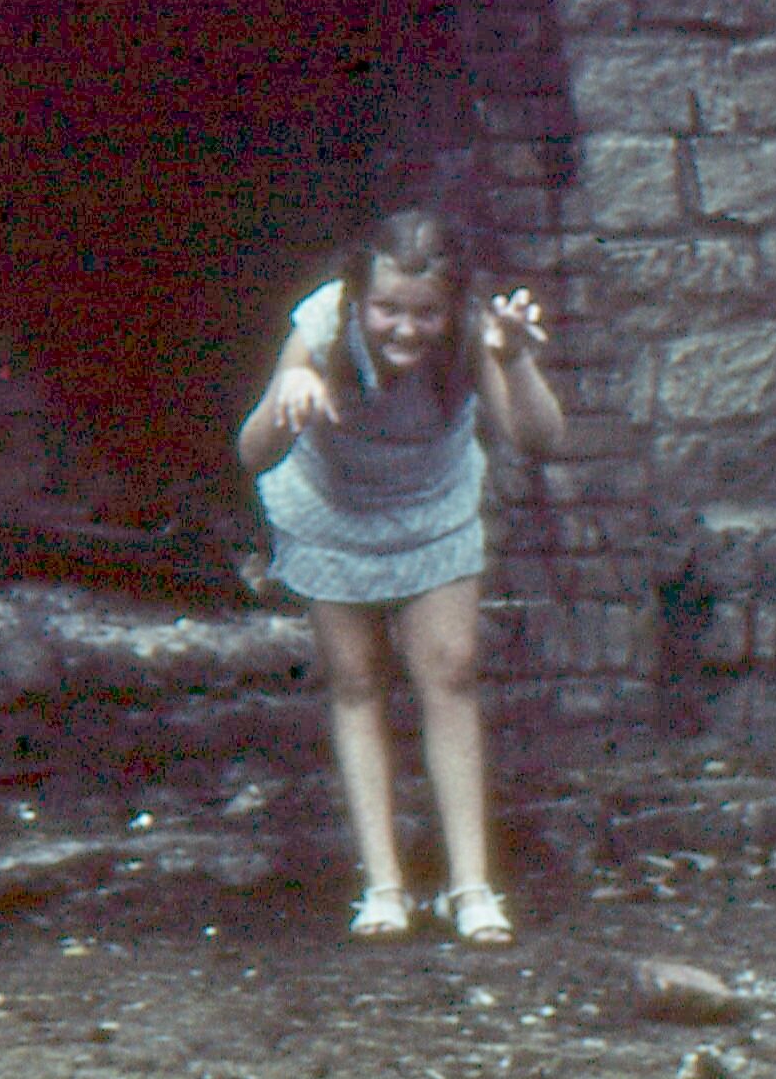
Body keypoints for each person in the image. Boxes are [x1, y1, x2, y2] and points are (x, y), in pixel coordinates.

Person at [235, 206, 566, 946]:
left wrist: (514, 359)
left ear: (450, 306)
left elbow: (538, 439)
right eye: (387, 308)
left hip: (431, 508)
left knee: (449, 673)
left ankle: (470, 887)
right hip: (334, 511)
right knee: (355, 680)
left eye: (424, 313)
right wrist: (285, 406)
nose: (405, 329)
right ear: (360, 297)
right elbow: (252, 453)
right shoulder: (323, 324)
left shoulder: (476, 331)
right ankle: (384, 887)